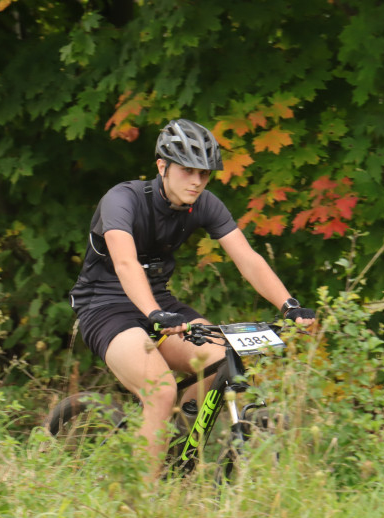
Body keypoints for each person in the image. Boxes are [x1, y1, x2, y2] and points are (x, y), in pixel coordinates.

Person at [69, 119, 315, 485]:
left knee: (224, 363)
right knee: (161, 389)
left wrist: (289, 305)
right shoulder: (122, 200)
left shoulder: (203, 204)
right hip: (106, 307)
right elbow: (125, 262)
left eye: (205, 173)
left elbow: (247, 258)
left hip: (161, 305)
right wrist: (152, 313)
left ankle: (169, 444)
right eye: (187, 171)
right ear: (162, 167)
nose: (197, 181)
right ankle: (141, 502)